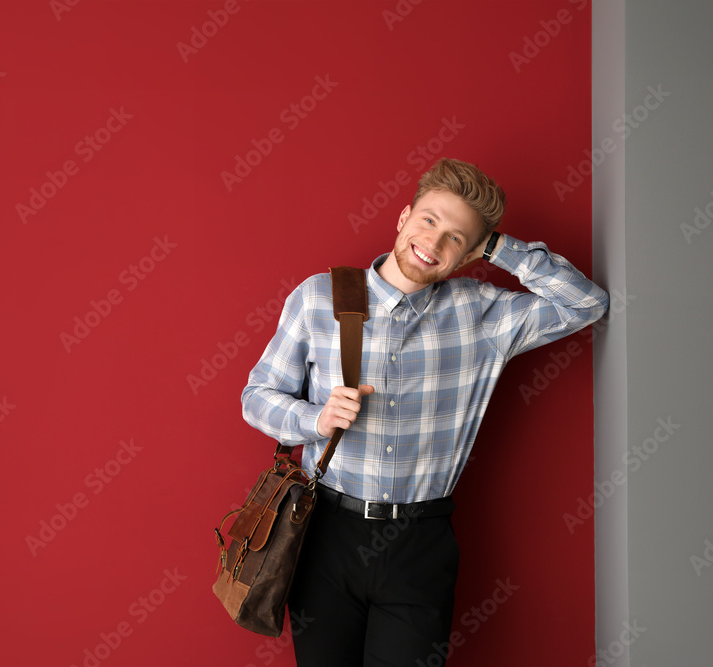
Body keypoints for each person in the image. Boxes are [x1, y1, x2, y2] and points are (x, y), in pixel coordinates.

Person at [240, 157, 609, 666]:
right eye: (430, 221)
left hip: (421, 543)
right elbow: (256, 396)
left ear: (470, 253)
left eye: (457, 238)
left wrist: (500, 247)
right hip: (325, 534)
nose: (433, 244)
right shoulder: (319, 297)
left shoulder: (483, 313)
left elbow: (586, 304)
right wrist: (315, 420)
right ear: (404, 216)